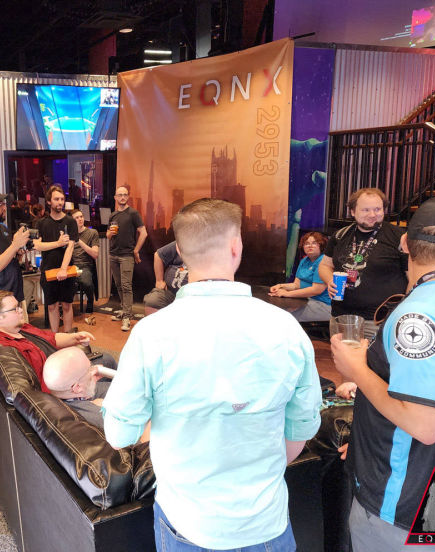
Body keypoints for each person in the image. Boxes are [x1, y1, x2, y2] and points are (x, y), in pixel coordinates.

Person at [102, 198, 322, 552]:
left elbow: (119, 434)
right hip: (266, 524)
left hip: (186, 524)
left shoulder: (151, 333)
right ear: (236, 247)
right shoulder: (286, 328)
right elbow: (300, 432)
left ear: (180, 254)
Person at [331, 195, 435, 550]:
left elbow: (425, 425)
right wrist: (366, 444)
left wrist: (356, 368)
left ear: (405, 243)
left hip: (404, 507)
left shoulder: (420, 315)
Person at [318, 188, 408, 341]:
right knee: (342, 356)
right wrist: (329, 280)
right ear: (352, 211)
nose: (372, 215)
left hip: (380, 321)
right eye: (366, 210)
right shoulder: (340, 235)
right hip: (342, 317)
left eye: (377, 209)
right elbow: (325, 265)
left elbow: (413, 277)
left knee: (375, 358)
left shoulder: (399, 237)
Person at [0, 290, 111, 392]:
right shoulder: (6, 348)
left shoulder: (21, 327)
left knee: (107, 359)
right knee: (114, 390)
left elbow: (51, 338)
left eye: (19, 306)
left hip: (66, 370)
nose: (21, 310)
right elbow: (40, 387)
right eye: (15, 309)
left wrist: (76, 337)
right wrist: (83, 378)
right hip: (64, 388)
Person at [35, 185, 78, 333]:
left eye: (62, 199)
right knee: (52, 306)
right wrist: (58, 243)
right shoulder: (41, 223)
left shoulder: (70, 222)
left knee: (67, 305)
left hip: (67, 270)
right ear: (49, 202)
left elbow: (70, 247)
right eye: (56, 199)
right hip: (48, 270)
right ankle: (55, 339)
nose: (60, 202)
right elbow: (38, 245)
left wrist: (63, 269)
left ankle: (67, 337)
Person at [107, 185, 147, 331]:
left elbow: (144, 233)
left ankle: (127, 316)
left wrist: (136, 250)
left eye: (125, 195)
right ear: (115, 198)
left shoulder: (133, 213)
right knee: (118, 285)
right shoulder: (113, 215)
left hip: (126, 256)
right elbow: (108, 235)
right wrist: (110, 233)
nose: (122, 197)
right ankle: (124, 311)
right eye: (120, 195)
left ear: (128, 197)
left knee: (126, 286)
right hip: (113, 254)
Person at [270, 232, 331, 322]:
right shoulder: (304, 260)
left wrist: (287, 293)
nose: (310, 246)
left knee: (284, 317)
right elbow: (296, 285)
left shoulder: (323, 261)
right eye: (306, 243)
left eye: (314, 243)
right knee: (277, 310)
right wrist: (280, 286)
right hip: (306, 300)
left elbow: (316, 290)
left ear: (321, 245)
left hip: (323, 305)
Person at [143, 240, 188, 315]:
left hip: (189, 297)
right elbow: (158, 255)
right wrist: (159, 280)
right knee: (153, 302)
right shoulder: (183, 242)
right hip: (169, 291)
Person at [71, 208, 99, 313]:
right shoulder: (68, 234)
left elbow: (95, 254)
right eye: (77, 218)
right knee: (65, 283)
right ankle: (65, 306)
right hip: (71, 265)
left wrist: (79, 241)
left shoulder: (92, 233)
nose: (80, 219)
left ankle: (90, 300)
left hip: (85, 265)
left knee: (86, 283)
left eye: (81, 217)